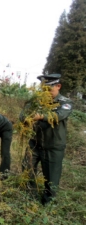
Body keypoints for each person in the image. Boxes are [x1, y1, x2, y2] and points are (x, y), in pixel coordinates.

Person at [21, 73, 73, 205]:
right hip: (35, 143)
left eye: (48, 89)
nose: (45, 93)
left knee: (51, 179)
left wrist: (41, 116)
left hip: (53, 146)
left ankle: (47, 204)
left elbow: (59, 115)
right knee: (27, 168)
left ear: (58, 86)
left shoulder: (65, 103)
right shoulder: (36, 101)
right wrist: (25, 119)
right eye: (43, 90)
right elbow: (23, 114)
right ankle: (30, 196)